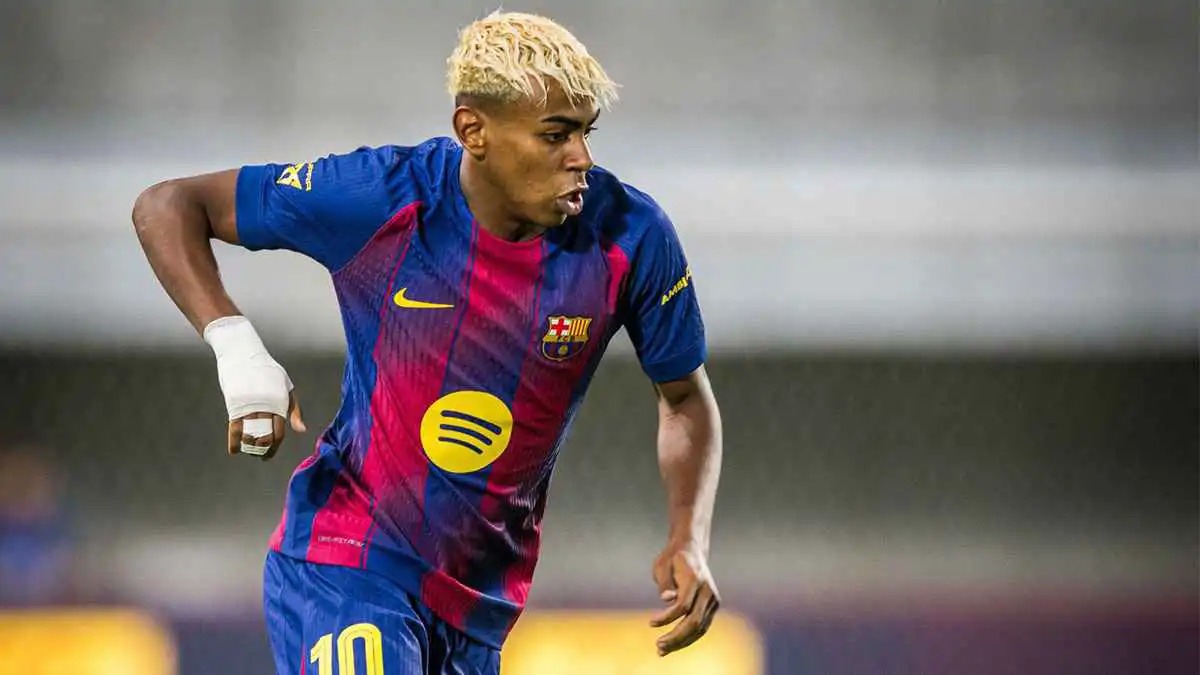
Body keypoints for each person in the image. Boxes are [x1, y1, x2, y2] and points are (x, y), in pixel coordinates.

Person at [132, 11, 722, 674]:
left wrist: (688, 536)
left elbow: (684, 399)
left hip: (478, 608)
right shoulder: (382, 196)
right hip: (349, 561)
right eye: (556, 134)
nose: (581, 157)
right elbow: (168, 206)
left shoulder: (631, 236)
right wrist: (238, 350)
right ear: (474, 131)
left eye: (587, 132)